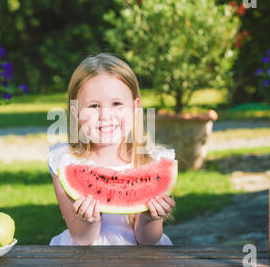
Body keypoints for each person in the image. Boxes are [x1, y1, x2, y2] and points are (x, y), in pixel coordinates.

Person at [48, 53, 176, 245]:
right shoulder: (65, 161)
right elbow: (81, 238)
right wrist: (89, 221)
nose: (105, 115)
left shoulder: (153, 163)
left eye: (116, 103)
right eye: (93, 106)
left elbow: (148, 241)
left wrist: (152, 218)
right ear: (75, 112)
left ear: (135, 107)